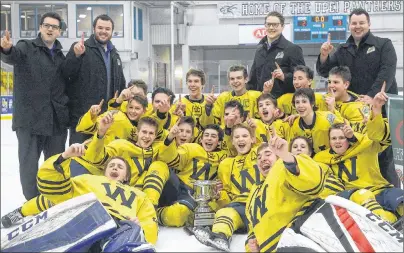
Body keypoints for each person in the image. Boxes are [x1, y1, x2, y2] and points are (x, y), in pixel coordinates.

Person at [316, 8, 399, 187]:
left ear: (369, 24)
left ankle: (392, 198)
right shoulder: (343, 50)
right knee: (358, 155)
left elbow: (387, 71)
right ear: (349, 25)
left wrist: (371, 96)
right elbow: (325, 71)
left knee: (383, 157)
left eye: (361, 23)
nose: (358, 26)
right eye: (354, 23)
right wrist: (324, 55)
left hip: (380, 109)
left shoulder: (383, 44)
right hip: (353, 114)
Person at [0, 12, 69, 200]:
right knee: (29, 165)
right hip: (30, 121)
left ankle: (52, 199)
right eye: (46, 25)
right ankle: (33, 201)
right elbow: (12, 56)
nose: (50, 29)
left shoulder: (62, 57)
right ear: (40, 27)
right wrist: (6, 50)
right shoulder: (26, 47)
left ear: (59, 31)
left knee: (55, 164)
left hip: (55, 122)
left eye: (54, 27)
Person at [37, 144, 158, 250]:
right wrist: (63, 158)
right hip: (87, 219)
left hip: (119, 227)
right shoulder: (87, 179)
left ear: (126, 177)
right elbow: (54, 190)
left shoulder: (140, 196)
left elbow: (149, 222)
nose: (115, 168)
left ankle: (120, 248)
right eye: (111, 166)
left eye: (120, 167)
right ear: (104, 172)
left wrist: (140, 228)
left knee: (131, 229)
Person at [193, 124, 263, 252]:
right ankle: (221, 237)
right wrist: (219, 195)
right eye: (237, 137)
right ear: (232, 141)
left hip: (261, 204)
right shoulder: (226, 164)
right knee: (224, 212)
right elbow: (227, 197)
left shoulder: (260, 154)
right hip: (240, 207)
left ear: (253, 139)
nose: (240, 139)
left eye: (245, 136)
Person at [62, 14, 126, 145]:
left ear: (112, 31)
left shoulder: (114, 54)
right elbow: (66, 73)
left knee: (103, 157)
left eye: (107, 29)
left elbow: (120, 83)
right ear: (93, 29)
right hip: (83, 117)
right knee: (80, 157)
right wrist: (76, 56)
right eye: (100, 28)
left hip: (107, 117)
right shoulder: (81, 48)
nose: (103, 31)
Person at [248, 11, 305, 98]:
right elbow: (253, 80)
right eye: (268, 24)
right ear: (265, 26)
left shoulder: (293, 49)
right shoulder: (259, 50)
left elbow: (302, 78)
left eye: (275, 25)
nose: (271, 27)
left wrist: (284, 77)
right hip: (263, 103)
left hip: (285, 103)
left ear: (282, 27)